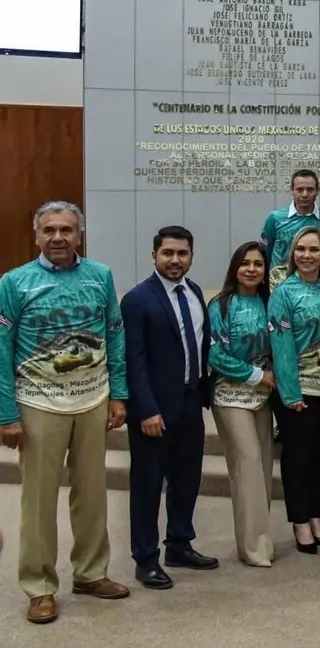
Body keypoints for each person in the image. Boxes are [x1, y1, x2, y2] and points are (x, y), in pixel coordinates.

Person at [0, 202, 130, 624]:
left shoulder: (100, 276)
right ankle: (39, 586)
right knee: (38, 502)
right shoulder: (14, 282)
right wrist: (6, 414)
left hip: (93, 399)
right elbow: (1, 349)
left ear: (80, 235)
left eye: (67, 230)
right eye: (50, 230)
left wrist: (119, 394)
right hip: (38, 403)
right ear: (37, 236)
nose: (58, 237)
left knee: (93, 493)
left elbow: (114, 334)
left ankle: (91, 573)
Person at [122, 226, 217, 590]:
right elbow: (135, 360)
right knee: (147, 485)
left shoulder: (194, 292)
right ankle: (145, 559)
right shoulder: (137, 299)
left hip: (190, 401)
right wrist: (145, 409)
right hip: (154, 409)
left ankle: (179, 543)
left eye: (182, 254)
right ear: (154, 256)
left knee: (186, 478)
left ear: (191, 256)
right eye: (168, 254)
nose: (175, 260)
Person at [268, 227, 320, 555]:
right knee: (298, 459)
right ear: (293, 254)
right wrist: (289, 392)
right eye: (301, 249)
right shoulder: (283, 293)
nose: (307, 255)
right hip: (298, 392)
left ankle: (315, 516)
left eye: (314, 250)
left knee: (318, 460)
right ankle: (300, 522)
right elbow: (281, 347)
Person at [207, 242, 276, 568]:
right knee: (247, 466)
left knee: (262, 468)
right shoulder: (220, 305)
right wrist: (256, 375)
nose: (251, 269)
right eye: (245, 263)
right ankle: (253, 548)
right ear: (235, 268)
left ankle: (260, 538)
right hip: (230, 395)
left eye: (258, 264)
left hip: (265, 396)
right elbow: (215, 354)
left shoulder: (270, 302)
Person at [261, 169, 320, 290]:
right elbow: (265, 252)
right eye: (299, 189)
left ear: (317, 191)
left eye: (310, 189)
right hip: (280, 285)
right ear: (292, 191)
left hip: (315, 285)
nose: (305, 194)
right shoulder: (275, 218)